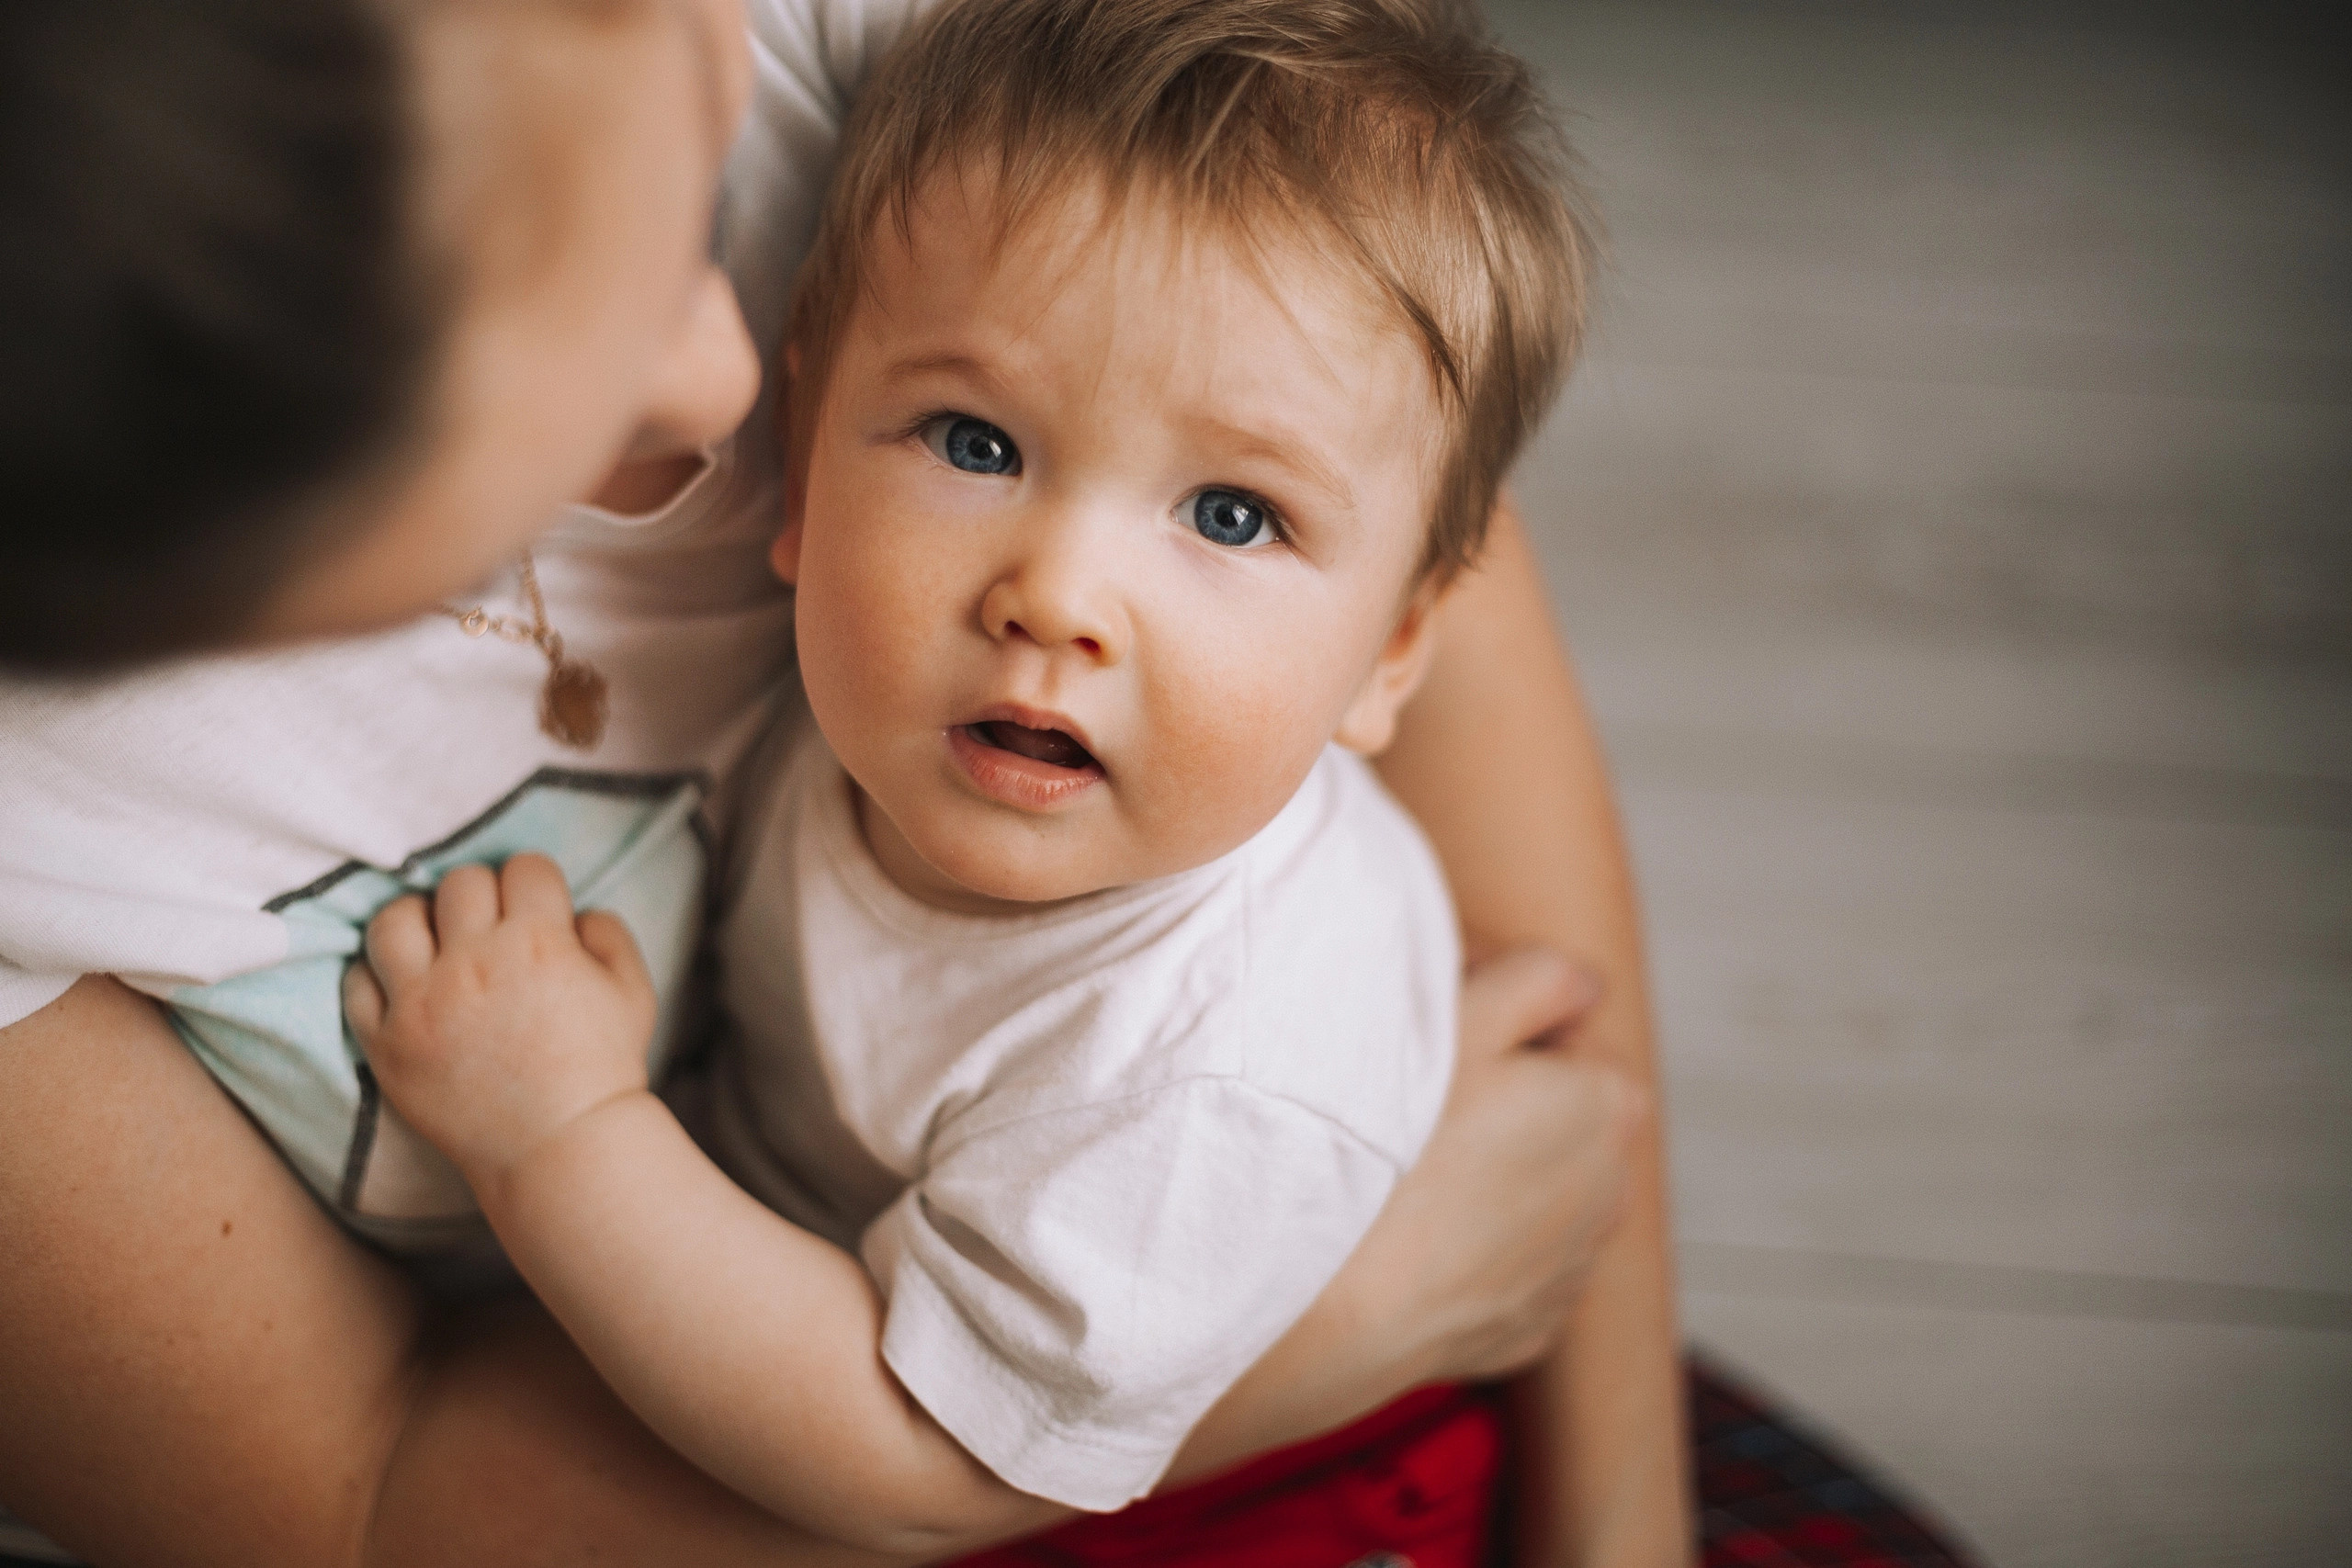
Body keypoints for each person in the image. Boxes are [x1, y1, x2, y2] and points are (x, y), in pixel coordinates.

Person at [0, 0, 1686, 1563]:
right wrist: (1346, 1306)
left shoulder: (1210, 1075)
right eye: (973, 441)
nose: (723, 400)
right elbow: (367, 1494)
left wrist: (565, 1135)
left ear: (1393, 651)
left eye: (1227, 517)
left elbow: (920, 1445)